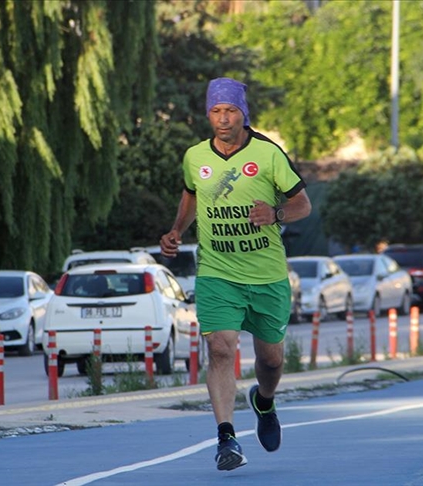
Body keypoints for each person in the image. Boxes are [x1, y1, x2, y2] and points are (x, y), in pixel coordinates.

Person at [159, 77, 312, 471]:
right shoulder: (195, 156)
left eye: (230, 111)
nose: (223, 119)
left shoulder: (268, 154)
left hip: (267, 275)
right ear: (208, 114)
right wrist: (177, 230)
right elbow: (191, 194)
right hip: (217, 272)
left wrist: (276, 214)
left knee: (271, 360)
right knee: (221, 349)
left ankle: (264, 401)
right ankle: (226, 438)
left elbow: (303, 204)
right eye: (216, 111)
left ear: (243, 114)